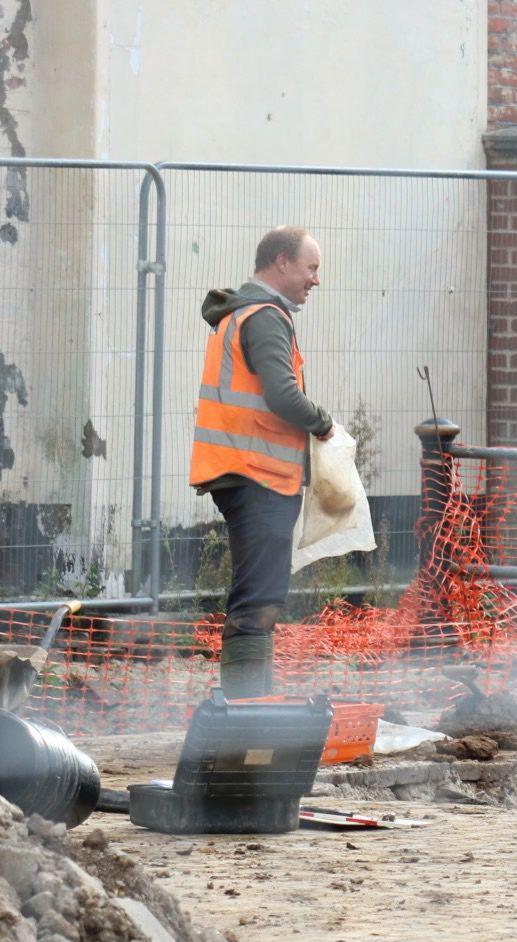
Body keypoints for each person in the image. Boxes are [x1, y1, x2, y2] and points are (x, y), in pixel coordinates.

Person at [189, 226, 333, 699]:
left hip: (243, 472)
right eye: (310, 268)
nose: (315, 280)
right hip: (258, 475)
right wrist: (324, 423)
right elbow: (283, 396)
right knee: (259, 600)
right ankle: (248, 713)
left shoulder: (240, 314)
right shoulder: (266, 317)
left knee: (258, 594)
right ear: (281, 262)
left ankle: (251, 708)